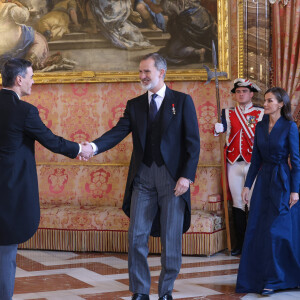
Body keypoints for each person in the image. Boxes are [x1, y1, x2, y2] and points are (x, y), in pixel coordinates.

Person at [82, 52, 200, 300]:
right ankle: (140, 290)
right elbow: (117, 132)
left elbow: (193, 144)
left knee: (170, 239)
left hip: (173, 180)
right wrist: (92, 147)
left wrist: (186, 177)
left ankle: (166, 291)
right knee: (136, 236)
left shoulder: (182, 101)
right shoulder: (134, 105)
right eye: (140, 72)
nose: (142, 76)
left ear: (162, 72)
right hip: (143, 178)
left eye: (147, 71)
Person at [0, 58, 93, 300]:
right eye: (31, 76)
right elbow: (50, 140)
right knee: (5, 253)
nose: (33, 81)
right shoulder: (24, 111)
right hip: (10, 194)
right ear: (19, 80)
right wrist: (79, 149)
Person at [236, 87, 300, 295]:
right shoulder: (260, 126)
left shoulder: (290, 126)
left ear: (281, 104)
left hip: (282, 182)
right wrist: (247, 185)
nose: (265, 104)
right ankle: (263, 278)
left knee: (276, 231)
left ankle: (278, 279)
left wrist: (295, 191)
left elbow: (297, 162)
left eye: (270, 101)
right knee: (258, 231)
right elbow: (256, 159)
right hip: (263, 183)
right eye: (264, 100)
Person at [214, 78, 264, 256]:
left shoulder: (260, 113)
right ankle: (240, 245)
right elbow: (221, 134)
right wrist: (217, 129)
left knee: (253, 203)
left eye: (244, 91)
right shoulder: (227, 113)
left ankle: (254, 244)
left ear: (251, 94)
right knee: (237, 203)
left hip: (253, 163)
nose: (241, 94)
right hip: (233, 163)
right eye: (238, 92)